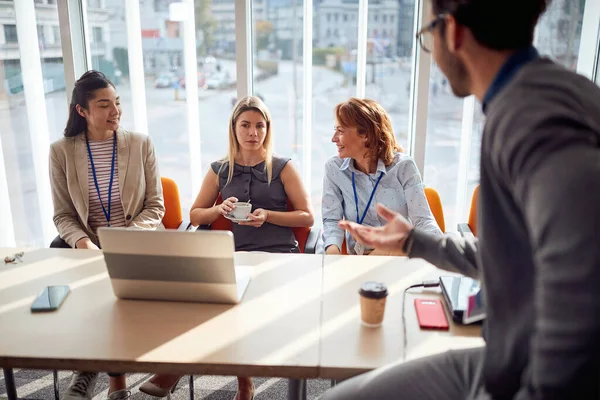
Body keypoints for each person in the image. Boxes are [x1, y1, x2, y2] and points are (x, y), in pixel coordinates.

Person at [323, 0, 600, 399]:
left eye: (426, 34)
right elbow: (508, 255)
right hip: (504, 357)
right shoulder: (546, 93)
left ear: (451, 32)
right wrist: (412, 241)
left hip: (533, 375)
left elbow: (580, 282)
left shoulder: (534, 118)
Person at [139, 96, 314, 399]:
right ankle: (234, 379)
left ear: (267, 129)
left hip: (278, 256)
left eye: (259, 126)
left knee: (233, 306)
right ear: (233, 128)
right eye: (245, 125)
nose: (253, 132)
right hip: (236, 257)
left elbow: (307, 216)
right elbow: (195, 214)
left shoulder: (283, 167)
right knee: (210, 302)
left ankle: (190, 371)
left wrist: (268, 215)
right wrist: (219, 210)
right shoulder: (220, 169)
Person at [50, 70, 165, 400]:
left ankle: (106, 381)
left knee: (117, 302)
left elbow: (155, 207)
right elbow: (63, 215)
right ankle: (97, 374)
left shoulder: (141, 144)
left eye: (117, 102)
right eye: (104, 105)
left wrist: (124, 239)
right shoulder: (61, 152)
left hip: (137, 242)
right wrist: (85, 243)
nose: (115, 111)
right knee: (95, 299)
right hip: (88, 247)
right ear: (82, 111)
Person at [321, 98, 441, 255]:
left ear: (366, 135)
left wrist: (441, 252)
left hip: (396, 255)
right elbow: (331, 221)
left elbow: (423, 221)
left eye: (341, 131)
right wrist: (332, 255)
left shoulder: (403, 167)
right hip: (359, 261)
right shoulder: (334, 168)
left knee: (401, 246)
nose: (333, 138)